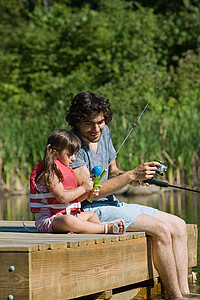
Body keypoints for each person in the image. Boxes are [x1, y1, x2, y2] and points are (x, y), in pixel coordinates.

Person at [66, 91, 199, 299]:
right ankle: (175, 297)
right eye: (88, 123)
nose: (96, 128)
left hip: (112, 204)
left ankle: (185, 292)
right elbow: (90, 194)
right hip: (89, 210)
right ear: (76, 121)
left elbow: (114, 172)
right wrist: (129, 176)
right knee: (161, 230)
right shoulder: (71, 143)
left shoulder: (104, 132)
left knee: (179, 226)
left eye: (100, 122)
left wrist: (137, 177)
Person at [29, 129, 125, 234]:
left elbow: (75, 200)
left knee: (91, 215)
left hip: (70, 216)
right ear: (55, 154)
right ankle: (105, 228)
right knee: (68, 220)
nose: (74, 158)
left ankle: (98, 228)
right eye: (70, 155)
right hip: (51, 221)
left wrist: (88, 192)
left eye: (75, 154)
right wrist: (83, 187)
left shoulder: (66, 171)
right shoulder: (50, 174)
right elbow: (62, 197)